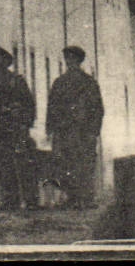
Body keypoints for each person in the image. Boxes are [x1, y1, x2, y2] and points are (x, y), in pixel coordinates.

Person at [0, 45, 38, 211]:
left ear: (6, 61)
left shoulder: (17, 81)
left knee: (24, 165)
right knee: (4, 166)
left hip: (17, 129)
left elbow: (29, 105)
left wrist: (25, 124)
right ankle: (11, 199)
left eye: (0, 58)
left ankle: (31, 200)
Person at [46, 45, 104, 209]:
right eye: (68, 60)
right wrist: (51, 129)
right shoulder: (59, 83)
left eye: (73, 60)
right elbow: (52, 106)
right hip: (64, 131)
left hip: (84, 131)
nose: (70, 63)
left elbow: (97, 108)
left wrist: (94, 130)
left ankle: (85, 198)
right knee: (65, 163)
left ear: (79, 61)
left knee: (85, 163)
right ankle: (71, 197)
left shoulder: (89, 83)